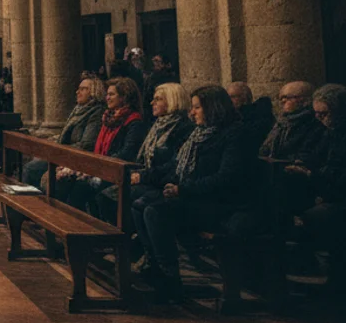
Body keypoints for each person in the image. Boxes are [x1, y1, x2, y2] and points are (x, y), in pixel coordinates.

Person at [131, 86, 257, 301]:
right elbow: (175, 165)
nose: (192, 113)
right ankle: (154, 264)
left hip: (219, 204)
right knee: (138, 204)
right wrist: (144, 176)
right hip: (195, 198)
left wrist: (183, 189)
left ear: (213, 108)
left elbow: (226, 178)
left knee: (155, 211)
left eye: (197, 108)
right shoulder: (198, 134)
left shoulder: (234, 135)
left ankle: (170, 277)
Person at [96, 83, 194, 224]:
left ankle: (128, 239)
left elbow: (174, 165)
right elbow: (142, 159)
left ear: (172, 100)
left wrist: (142, 176)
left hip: (162, 182)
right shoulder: (157, 125)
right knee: (103, 194)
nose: (152, 102)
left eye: (158, 99)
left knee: (112, 197)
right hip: (148, 177)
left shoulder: (183, 128)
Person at [292, 83, 346, 291]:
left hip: (342, 197)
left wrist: (313, 173)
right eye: (316, 113)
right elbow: (313, 153)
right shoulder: (326, 130)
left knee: (314, 218)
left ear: (340, 110)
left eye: (323, 114)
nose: (319, 118)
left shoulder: (345, 133)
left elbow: (342, 172)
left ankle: (337, 280)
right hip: (327, 190)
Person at [57, 77, 147, 211]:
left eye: (112, 94)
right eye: (107, 94)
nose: (107, 98)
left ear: (124, 97)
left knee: (79, 189)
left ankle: (81, 228)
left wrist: (96, 168)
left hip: (118, 171)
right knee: (64, 181)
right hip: (102, 166)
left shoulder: (134, 122)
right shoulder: (108, 118)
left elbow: (127, 153)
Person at [21, 77, 105, 187]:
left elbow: (87, 144)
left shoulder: (96, 112)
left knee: (31, 169)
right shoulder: (78, 110)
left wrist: (59, 151)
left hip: (76, 157)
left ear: (94, 92)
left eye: (83, 89)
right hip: (64, 154)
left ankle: (31, 202)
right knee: (32, 166)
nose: (77, 92)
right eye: (78, 88)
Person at [260, 81, 324, 165]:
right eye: (281, 98)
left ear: (304, 100)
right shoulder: (281, 123)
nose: (283, 101)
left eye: (288, 97)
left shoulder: (313, 122)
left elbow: (308, 153)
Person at [227, 81, 275, 146]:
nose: (228, 100)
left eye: (232, 96)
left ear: (244, 98)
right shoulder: (233, 116)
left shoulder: (258, 117)